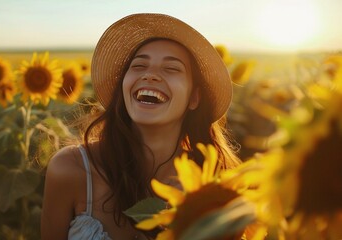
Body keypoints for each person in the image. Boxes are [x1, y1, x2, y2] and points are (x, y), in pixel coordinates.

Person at [41, 13, 241, 240]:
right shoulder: (71, 170)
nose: (150, 75)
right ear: (123, 85)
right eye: (139, 65)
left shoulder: (213, 190)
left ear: (194, 98)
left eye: (171, 69)